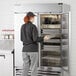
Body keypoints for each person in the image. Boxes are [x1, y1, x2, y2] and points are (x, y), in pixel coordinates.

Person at [21, 12, 49, 76]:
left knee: (25, 67)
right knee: (33, 67)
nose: (34, 18)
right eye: (33, 17)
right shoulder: (33, 26)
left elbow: (21, 38)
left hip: (24, 50)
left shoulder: (22, 26)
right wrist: (44, 38)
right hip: (32, 50)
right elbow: (35, 39)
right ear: (31, 18)